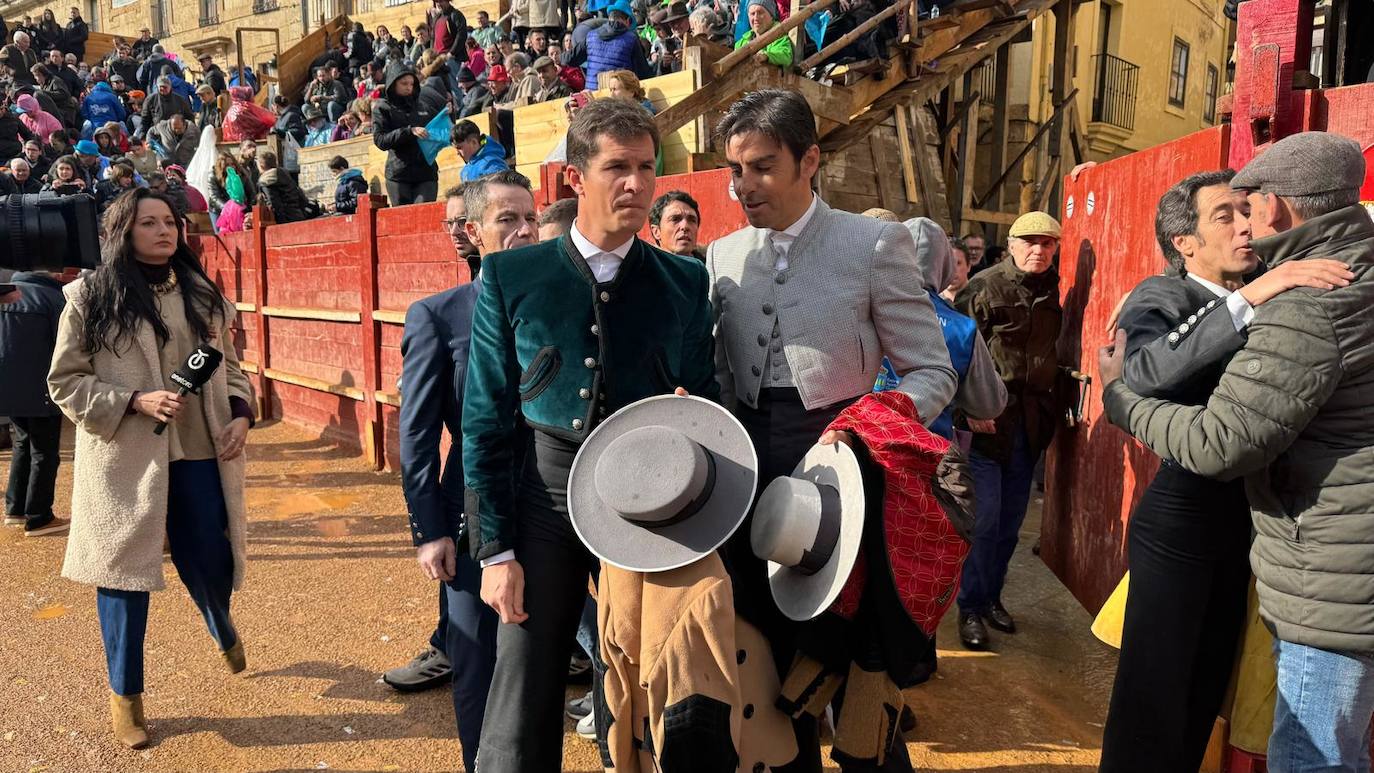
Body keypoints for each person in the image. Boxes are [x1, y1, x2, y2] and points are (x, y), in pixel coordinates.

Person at [1100, 132, 1374, 772]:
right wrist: (1249, 298)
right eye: (1224, 215)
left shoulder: (1295, 281)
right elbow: (1139, 374)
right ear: (1183, 244)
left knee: (1205, 693)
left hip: (1250, 528)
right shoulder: (1161, 296)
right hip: (1184, 522)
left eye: (1246, 208)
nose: (1244, 225)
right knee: (1154, 694)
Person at [462, 99, 716, 773]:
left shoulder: (685, 280)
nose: (635, 183)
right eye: (616, 168)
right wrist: (494, 550)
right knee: (524, 680)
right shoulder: (511, 275)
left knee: (656, 674)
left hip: (651, 498)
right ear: (575, 178)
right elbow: (485, 418)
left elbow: (707, 404)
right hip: (545, 496)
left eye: (644, 167)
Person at [707, 88, 955, 772]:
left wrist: (868, 425)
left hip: (845, 469)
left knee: (849, 671)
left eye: (760, 166)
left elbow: (932, 371)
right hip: (750, 476)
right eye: (735, 170)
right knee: (764, 665)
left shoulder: (874, 242)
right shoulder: (722, 254)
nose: (743, 186)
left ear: (809, 159)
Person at [47, 187, 255, 750]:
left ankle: (217, 617)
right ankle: (126, 698)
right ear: (123, 230)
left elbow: (233, 370)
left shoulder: (203, 294)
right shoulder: (89, 297)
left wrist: (240, 415)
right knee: (121, 575)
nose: (166, 231)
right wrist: (134, 401)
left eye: (171, 221)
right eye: (149, 223)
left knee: (210, 558)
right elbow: (64, 383)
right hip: (125, 457)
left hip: (201, 449)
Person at [396, 178, 527, 769]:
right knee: (476, 658)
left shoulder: (571, 306)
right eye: (507, 219)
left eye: (531, 217)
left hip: (557, 504)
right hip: (471, 509)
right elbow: (419, 433)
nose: (524, 229)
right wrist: (430, 528)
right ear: (473, 233)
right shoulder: (437, 316)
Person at [951, 211, 1064, 651]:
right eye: (1030, 242)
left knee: (1011, 524)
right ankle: (970, 608)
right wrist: (965, 410)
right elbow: (956, 356)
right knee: (984, 521)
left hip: (1029, 426)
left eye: (1048, 244)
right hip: (985, 424)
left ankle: (991, 597)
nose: (1039, 250)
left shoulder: (1056, 289)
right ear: (1012, 244)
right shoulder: (983, 289)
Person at [0, 268, 68, 537]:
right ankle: (39, 516)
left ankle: (15, 508)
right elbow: (64, 347)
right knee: (44, 451)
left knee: (23, 442)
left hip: (9, 385)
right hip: (42, 385)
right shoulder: (54, 298)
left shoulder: (6, 294)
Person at [373, 61, 440, 205]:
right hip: (398, 175)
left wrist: (448, 114)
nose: (409, 87)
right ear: (393, 84)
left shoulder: (424, 106)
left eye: (411, 84)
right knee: (402, 221)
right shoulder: (383, 108)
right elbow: (380, 140)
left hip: (426, 172)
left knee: (424, 216)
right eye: (404, 83)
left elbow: (440, 127)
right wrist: (409, 131)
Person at [585, 1, 653, 91]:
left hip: (592, 96)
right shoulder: (631, 38)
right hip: (618, 96)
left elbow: (572, 58)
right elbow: (643, 72)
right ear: (628, 20)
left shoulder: (590, 35)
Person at [255, 150, 318, 224]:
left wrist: (280, 223)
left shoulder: (266, 181)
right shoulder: (286, 176)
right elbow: (301, 197)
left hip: (284, 220)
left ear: (261, 166)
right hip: (298, 216)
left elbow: (273, 204)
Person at [737, 0, 793, 68]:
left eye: (760, 13)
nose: (756, 18)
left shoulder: (778, 35)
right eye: (752, 14)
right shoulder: (741, 42)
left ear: (771, 16)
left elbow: (785, 56)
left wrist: (766, 56)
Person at [648, 190, 702, 259]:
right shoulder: (641, 267)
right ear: (656, 231)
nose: (685, 226)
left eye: (692, 220)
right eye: (675, 219)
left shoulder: (713, 265)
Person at [942, 237, 970, 301]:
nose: (951, 269)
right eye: (946, 263)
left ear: (968, 266)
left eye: (958, 263)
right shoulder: (929, 301)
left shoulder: (980, 300)